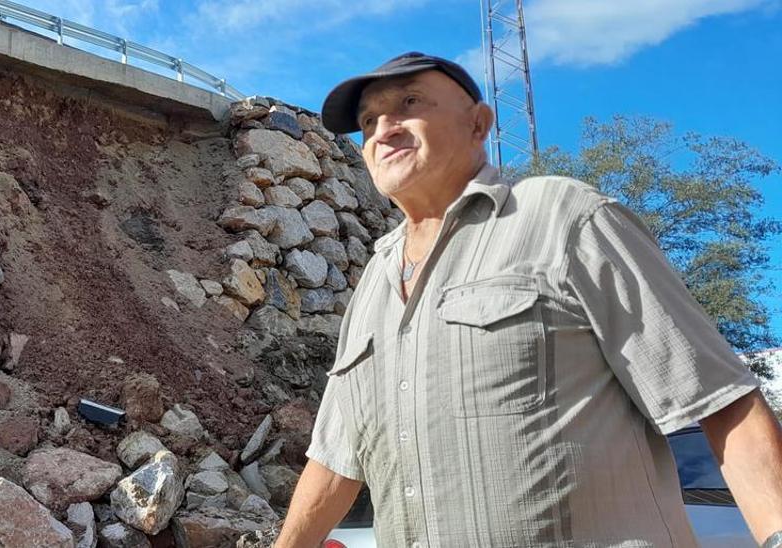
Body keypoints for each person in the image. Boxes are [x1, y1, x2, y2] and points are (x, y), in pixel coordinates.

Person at [274, 51, 782, 547]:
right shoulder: (374, 280)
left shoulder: (566, 219)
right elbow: (338, 456)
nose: (385, 129)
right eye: (369, 120)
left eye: (409, 102)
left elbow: (719, 399)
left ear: (479, 124)